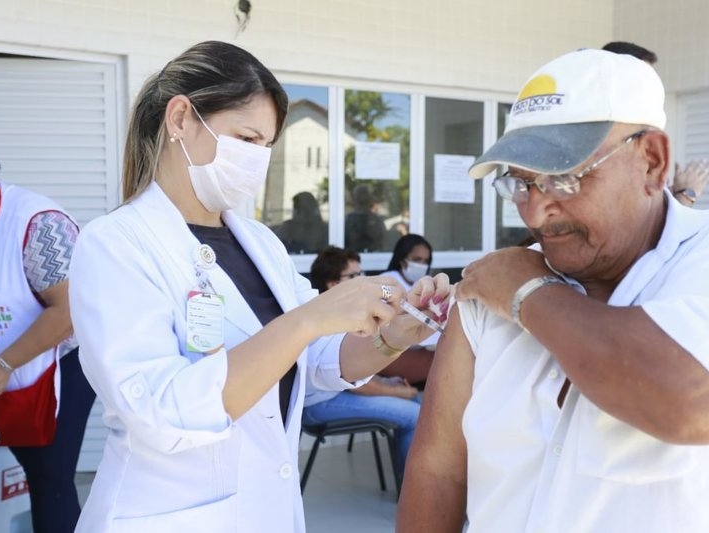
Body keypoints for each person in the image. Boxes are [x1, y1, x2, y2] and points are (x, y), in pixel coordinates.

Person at [397, 49, 709, 532]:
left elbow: (692, 401)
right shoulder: (485, 302)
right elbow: (440, 469)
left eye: (564, 178)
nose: (536, 214)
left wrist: (528, 293)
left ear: (651, 161)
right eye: (521, 184)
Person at [67, 41, 449, 532]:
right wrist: (310, 318)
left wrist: (393, 336)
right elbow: (163, 410)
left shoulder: (259, 243)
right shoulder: (114, 245)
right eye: (245, 139)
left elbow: (316, 362)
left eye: (266, 147)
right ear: (180, 118)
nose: (257, 160)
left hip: (265, 511)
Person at [0, 152, 96, 533]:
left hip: (59, 363)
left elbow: (70, 312)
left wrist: (3, 366)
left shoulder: (39, 225)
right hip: (0, 362)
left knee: (49, 476)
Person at [305, 246, 421, 482]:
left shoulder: (347, 311)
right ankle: (413, 493)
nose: (362, 281)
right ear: (332, 284)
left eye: (362, 274)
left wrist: (389, 383)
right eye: (354, 277)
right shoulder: (325, 316)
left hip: (336, 394)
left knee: (417, 399)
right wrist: (396, 391)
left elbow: (359, 373)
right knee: (415, 414)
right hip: (319, 405)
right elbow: (350, 379)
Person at [602, 40, 709, 206]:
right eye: (645, 80)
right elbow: (634, 228)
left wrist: (671, 196)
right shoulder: (609, 145)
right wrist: (686, 196)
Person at [379, 234, 439, 387]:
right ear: (402, 259)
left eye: (425, 261)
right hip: (390, 350)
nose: (422, 265)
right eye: (417, 260)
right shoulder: (386, 281)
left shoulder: (424, 284)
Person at [345, 183, 386, 252]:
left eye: (364, 196)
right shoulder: (350, 219)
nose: (362, 199)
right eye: (360, 196)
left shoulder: (375, 220)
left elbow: (380, 242)